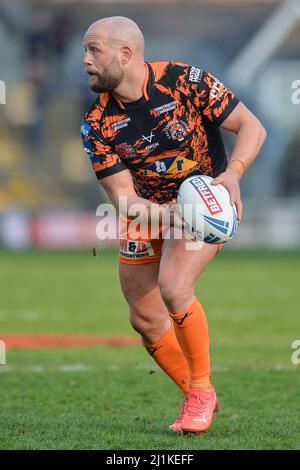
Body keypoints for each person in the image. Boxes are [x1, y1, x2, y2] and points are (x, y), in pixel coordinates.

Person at [81, 16, 266, 434]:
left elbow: (252, 126)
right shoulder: (96, 123)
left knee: (174, 287)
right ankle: (197, 393)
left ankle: (199, 394)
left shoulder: (185, 80)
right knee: (143, 318)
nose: (85, 60)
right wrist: (166, 215)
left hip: (206, 202)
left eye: (94, 50)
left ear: (125, 54)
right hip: (151, 210)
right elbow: (125, 200)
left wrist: (233, 173)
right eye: (85, 51)